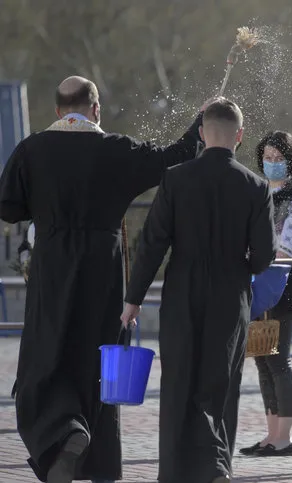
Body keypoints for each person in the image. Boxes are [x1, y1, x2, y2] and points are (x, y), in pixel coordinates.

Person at [0, 75, 206, 483]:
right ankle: (101, 465)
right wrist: (200, 120)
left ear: (58, 111)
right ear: (96, 109)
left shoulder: (32, 149)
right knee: (99, 365)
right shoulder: (116, 149)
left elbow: (8, 207)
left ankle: (64, 433)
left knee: (44, 363)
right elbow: (174, 157)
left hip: (53, 271)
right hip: (104, 273)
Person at [120, 98, 277, 483]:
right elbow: (264, 257)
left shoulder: (175, 178)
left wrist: (132, 299)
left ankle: (174, 471)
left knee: (178, 381)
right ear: (239, 136)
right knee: (220, 380)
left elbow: (152, 244)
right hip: (231, 291)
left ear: (203, 134)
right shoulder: (256, 187)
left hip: (182, 290)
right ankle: (215, 465)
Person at [239, 131, 292, 458]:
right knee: (261, 358)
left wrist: (262, 262)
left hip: (283, 285)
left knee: (278, 359)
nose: (272, 164)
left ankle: (284, 438)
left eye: (278, 158)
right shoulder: (257, 191)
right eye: (267, 158)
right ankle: (271, 435)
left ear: (291, 160)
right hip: (256, 284)